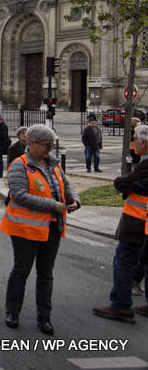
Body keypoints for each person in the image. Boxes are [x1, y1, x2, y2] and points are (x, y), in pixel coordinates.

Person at [0, 124, 80, 335]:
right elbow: (20, 195)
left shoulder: (53, 164)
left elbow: (67, 184)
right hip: (26, 229)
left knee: (46, 274)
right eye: (46, 145)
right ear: (32, 143)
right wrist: (55, 206)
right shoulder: (20, 165)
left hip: (53, 227)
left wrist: (74, 201)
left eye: (52, 145)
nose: (50, 149)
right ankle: (12, 311)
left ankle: (44, 316)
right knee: (21, 271)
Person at [92, 124, 148, 322]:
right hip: (141, 223)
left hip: (138, 224)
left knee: (124, 261)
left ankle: (121, 306)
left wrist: (128, 184)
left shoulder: (146, 164)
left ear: (144, 143)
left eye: (135, 139)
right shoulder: (142, 162)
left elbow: (122, 183)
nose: (133, 143)